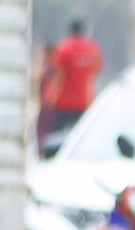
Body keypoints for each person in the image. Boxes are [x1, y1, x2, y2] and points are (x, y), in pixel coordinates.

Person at [41, 19, 104, 149]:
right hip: (85, 102)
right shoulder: (93, 50)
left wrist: (51, 97)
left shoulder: (64, 48)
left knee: (55, 139)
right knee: (82, 139)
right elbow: (95, 74)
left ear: (71, 31)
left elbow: (58, 74)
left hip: (64, 102)